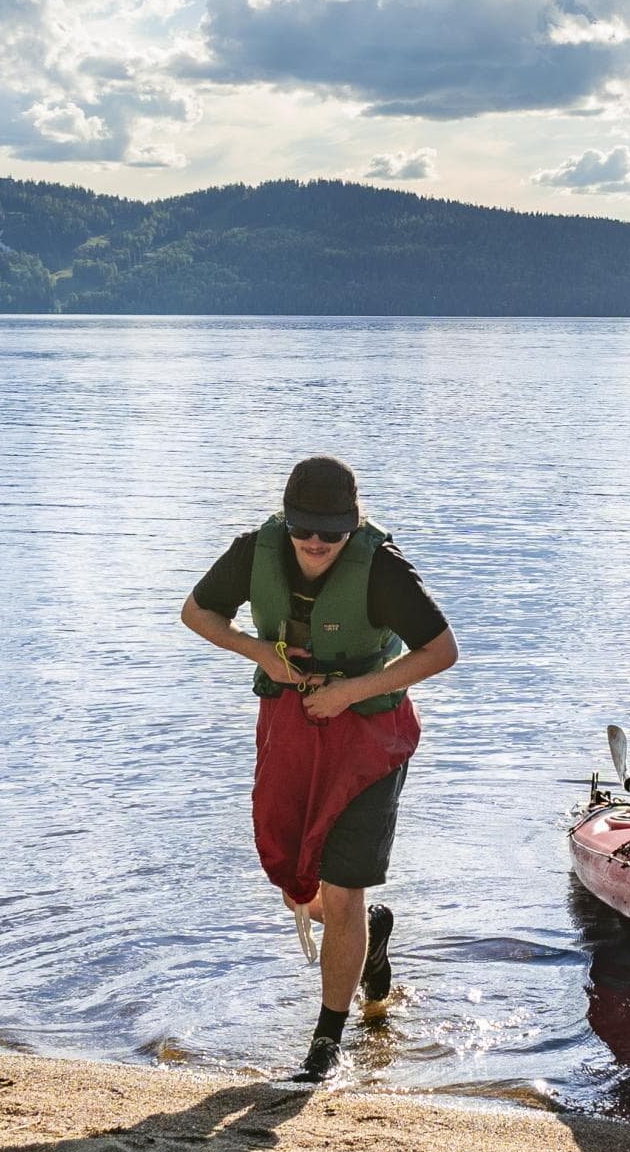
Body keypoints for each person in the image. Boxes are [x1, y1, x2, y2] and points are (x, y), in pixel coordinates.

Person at [182, 456, 459, 1081]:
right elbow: (196, 614)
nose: (315, 543)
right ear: (288, 519)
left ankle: (325, 1046)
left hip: (368, 738)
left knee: (343, 887)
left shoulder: (383, 570)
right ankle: (369, 939)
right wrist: (262, 655)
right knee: (297, 877)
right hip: (289, 730)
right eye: (305, 529)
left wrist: (350, 691)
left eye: (331, 534)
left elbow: (442, 650)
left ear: (351, 526)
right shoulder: (254, 551)